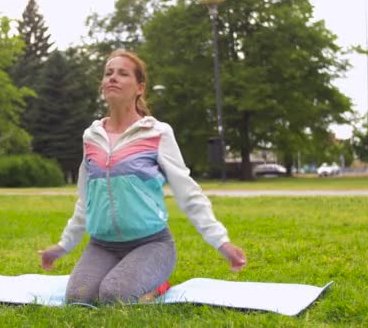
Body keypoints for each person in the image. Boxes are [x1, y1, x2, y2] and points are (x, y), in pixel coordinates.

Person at [39, 49, 246, 305]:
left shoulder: (156, 133)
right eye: (108, 73)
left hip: (151, 244)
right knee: (78, 298)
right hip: (102, 244)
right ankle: (122, 275)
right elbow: (86, 198)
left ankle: (160, 283)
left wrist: (221, 242)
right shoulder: (91, 136)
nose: (113, 78)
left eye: (122, 73)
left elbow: (188, 192)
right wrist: (63, 246)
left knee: (114, 295)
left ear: (139, 87)